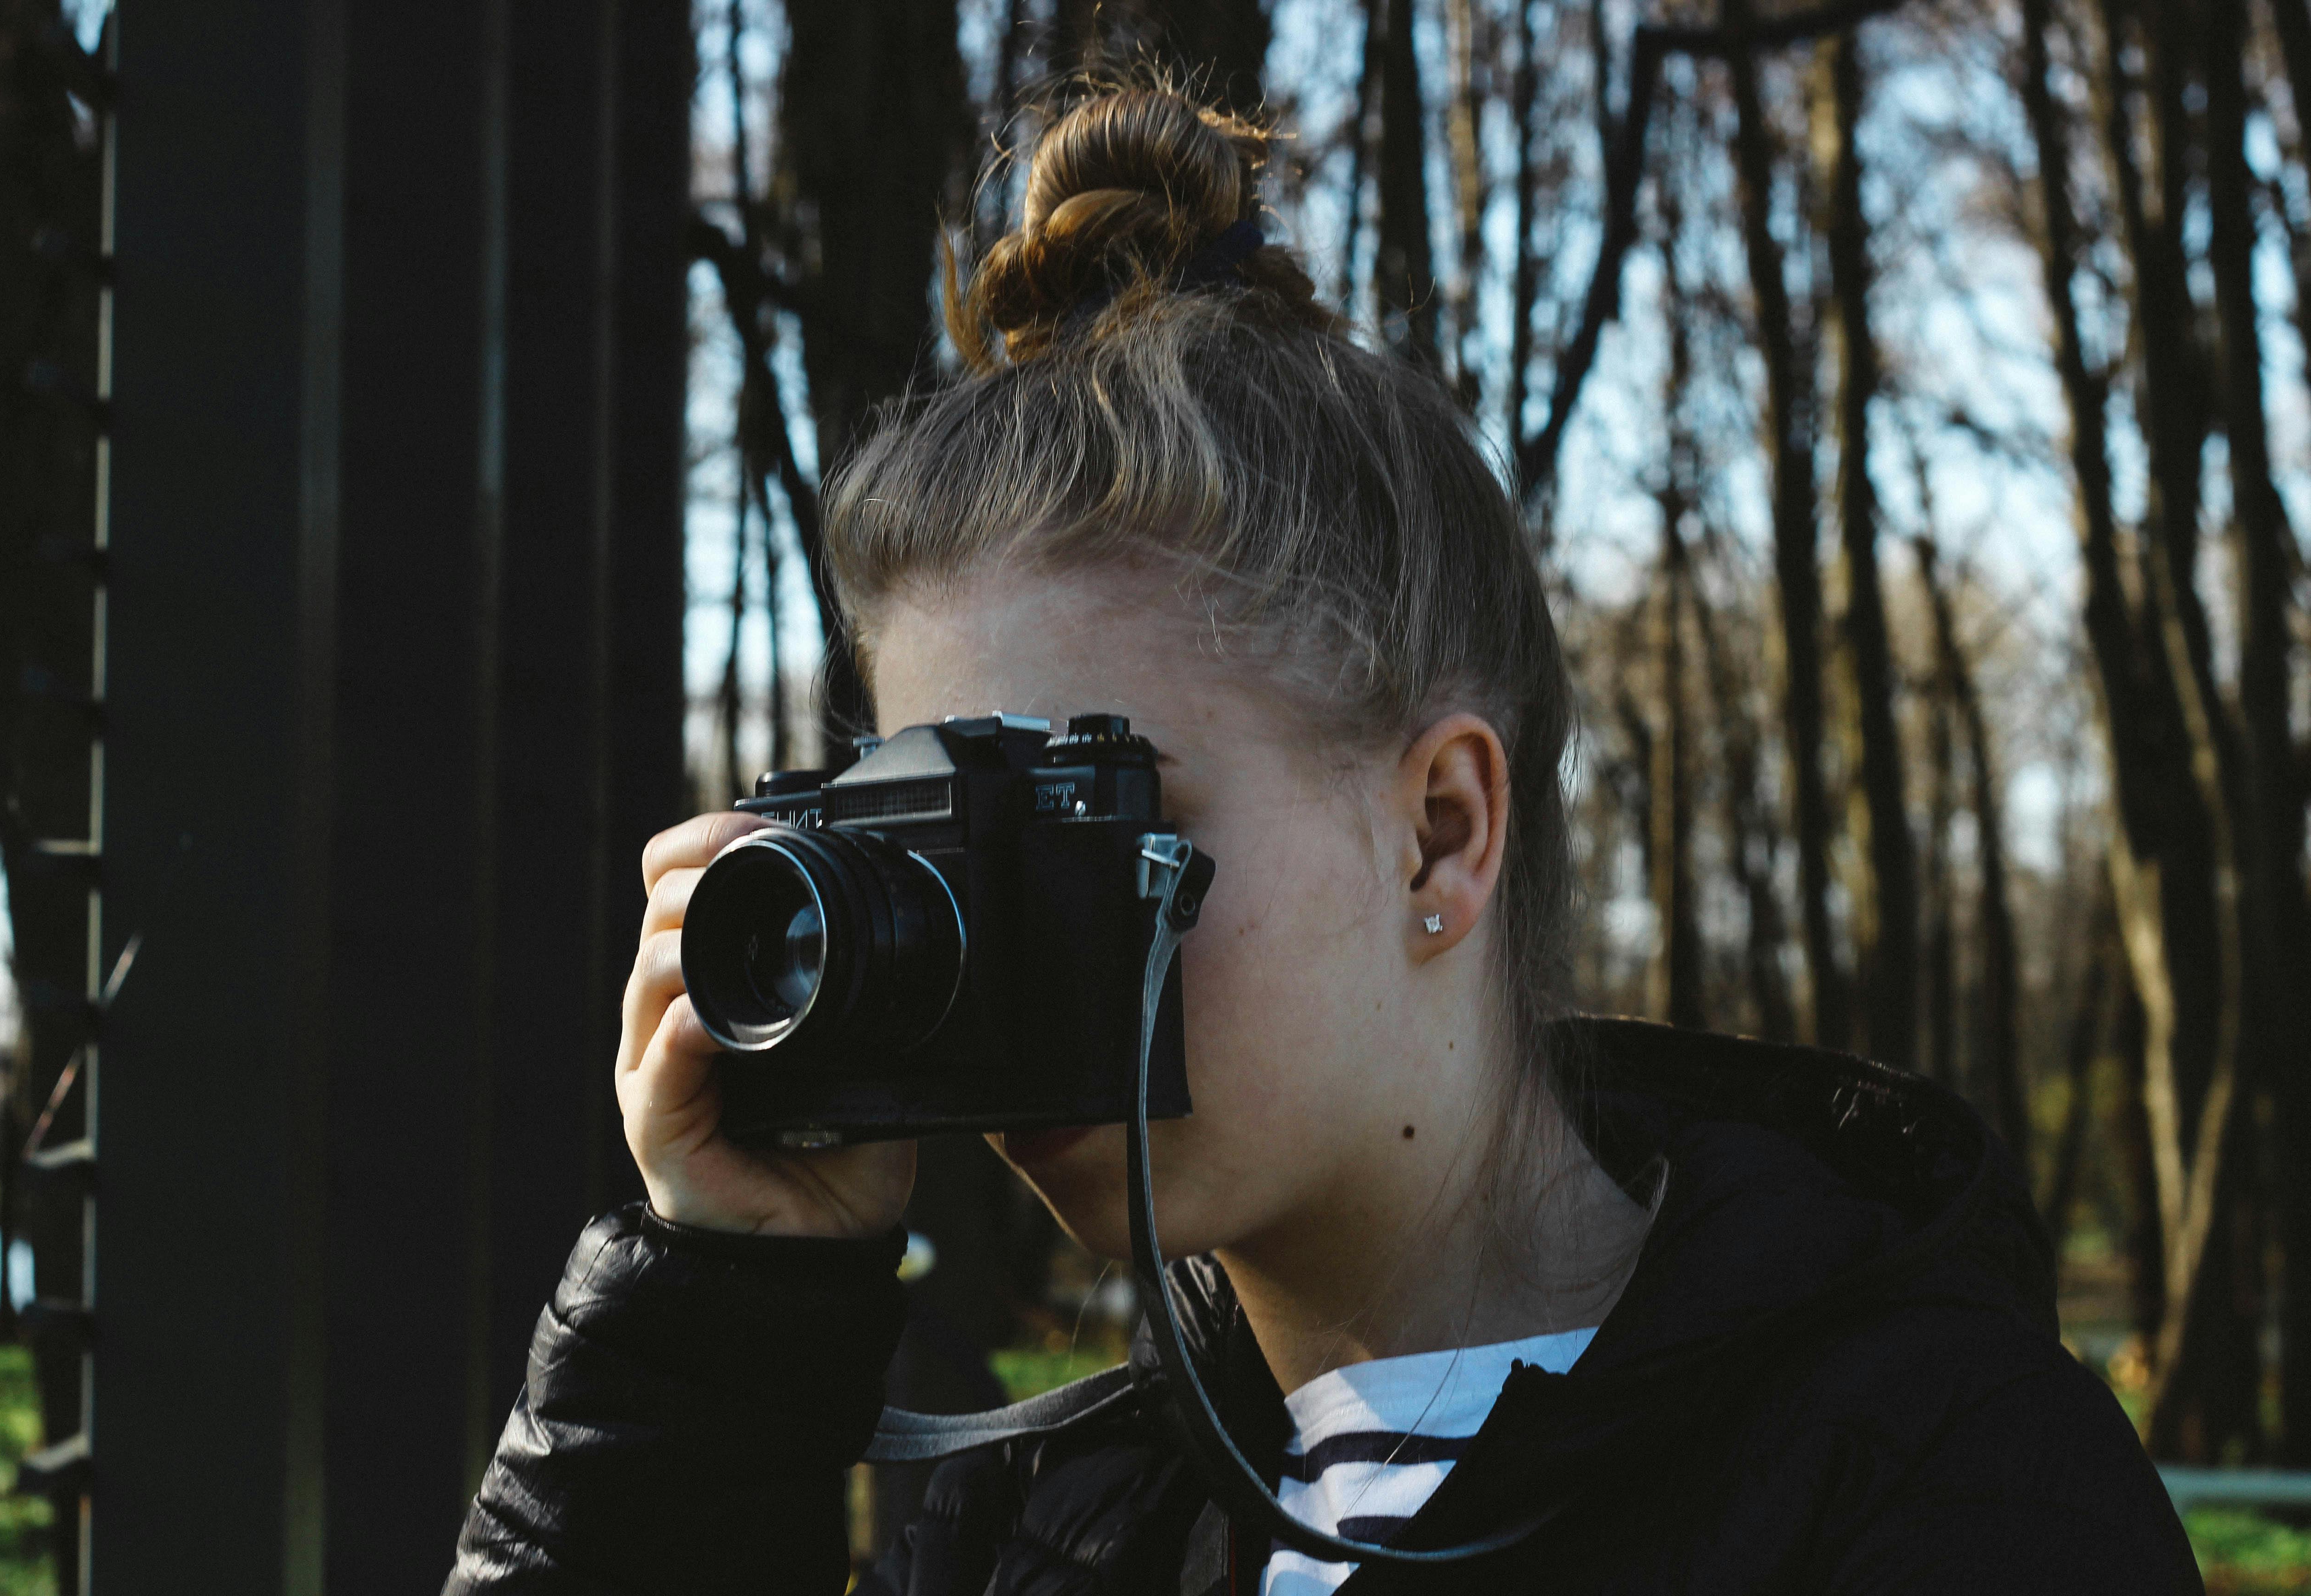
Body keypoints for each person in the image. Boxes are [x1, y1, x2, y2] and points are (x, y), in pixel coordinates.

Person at [444, 83, 2198, 1596]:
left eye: (1088, 831)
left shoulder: (1933, 1476)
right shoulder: (1057, 1523)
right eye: (950, 860)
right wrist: (717, 1335)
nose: (1011, 978)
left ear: (1442, 832)